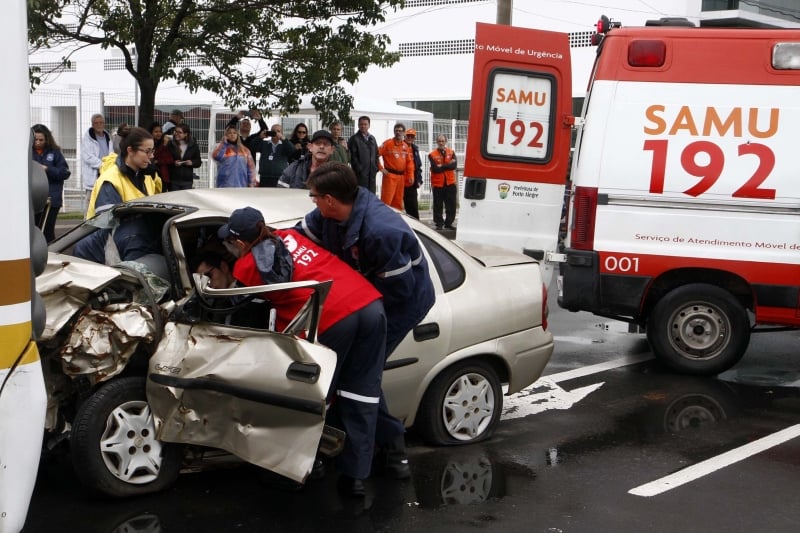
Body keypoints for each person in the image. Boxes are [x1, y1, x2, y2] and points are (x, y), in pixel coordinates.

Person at [218, 206, 387, 497]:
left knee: (307, 398)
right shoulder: (289, 236)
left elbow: (239, 314)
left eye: (231, 242)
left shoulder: (245, 268)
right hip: (369, 304)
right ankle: (356, 477)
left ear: (241, 242)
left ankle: (301, 469)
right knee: (362, 393)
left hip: (330, 317)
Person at [299, 162, 436, 480]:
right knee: (359, 374)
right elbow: (298, 236)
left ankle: (392, 449)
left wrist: (353, 307)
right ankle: (386, 446)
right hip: (368, 303)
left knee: (360, 375)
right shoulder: (329, 215)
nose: (313, 202)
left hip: (400, 305)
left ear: (330, 199)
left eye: (314, 197)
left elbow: (399, 291)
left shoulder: (380, 232)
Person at [85, 126, 163, 219]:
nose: (152, 156)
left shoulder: (147, 176)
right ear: (130, 150)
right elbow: (107, 223)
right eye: (147, 151)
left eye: (152, 151)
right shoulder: (110, 181)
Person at [31, 124, 70, 242]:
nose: (38, 142)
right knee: (33, 230)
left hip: (51, 199)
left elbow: (65, 173)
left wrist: (47, 169)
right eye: (35, 140)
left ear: (47, 139)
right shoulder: (27, 152)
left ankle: (50, 251)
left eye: (41, 140)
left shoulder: (55, 153)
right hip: (33, 199)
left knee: (48, 231)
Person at [81, 113, 113, 211]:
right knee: (90, 203)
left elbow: (111, 154)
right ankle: (87, 220)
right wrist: (103, 165)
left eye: (101, 122)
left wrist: (109, 165)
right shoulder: (88, 138)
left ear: (104, 124)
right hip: (94, 176)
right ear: (92, 124)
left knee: (105, 203)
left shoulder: (108, 137)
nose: (99, 125)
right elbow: (88, 157)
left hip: (106, 175)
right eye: (96, 123)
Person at [378, 123, 414, 210]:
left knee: (398, 201)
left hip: (401, 177)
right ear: (394, 132)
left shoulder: (405, 146)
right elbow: (375, 155)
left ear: (404, 133)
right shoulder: (387, 144)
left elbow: (409, 162)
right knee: (387, 201)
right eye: (396, 131)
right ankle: (384, 217)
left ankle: (396, 218)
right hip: (390, 176)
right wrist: (381, 168)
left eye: (400, 131)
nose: (398, 132)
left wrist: (411, 175)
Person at [428, 134, 458, 230]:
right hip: (438, 183)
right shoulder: (432, 154)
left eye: (443, 141)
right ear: (437, 142)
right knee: (438, 205)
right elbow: (435, 169)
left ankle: (449, 223)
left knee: (451, 204)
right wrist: (447, 164)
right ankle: (439, 223)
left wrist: (442, 166)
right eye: (439, 141)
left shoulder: (451, 152)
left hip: (450, 183)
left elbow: (454, 166)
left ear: (446, 141)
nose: (441, 143)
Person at [251, 123, 293, 188]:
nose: (275, 133)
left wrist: (283, 139)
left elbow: (292, 150)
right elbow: (252, 147)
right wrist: (260, 137)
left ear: (281, 133)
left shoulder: (285, 145)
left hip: (280, 177)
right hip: (265, 177)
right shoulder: (264, 144)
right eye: (273, 131)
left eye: (278, 131)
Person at [347, 115, 379, 193]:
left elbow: (376, 154)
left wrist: (376, 167)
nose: (363, 126)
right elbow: (352, 156)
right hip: (360, 174)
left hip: (372, 173)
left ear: (369, 125)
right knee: (361, 193)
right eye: (361, 124)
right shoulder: (354, 139)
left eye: (365, 124)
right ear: (358, 125)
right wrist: (359, 169)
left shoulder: (372, 138)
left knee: (371, 194)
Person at [167, 124, 202, 191]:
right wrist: (173, 162)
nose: (176, 134)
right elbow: (166, 159)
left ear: (186, 134)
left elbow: (198, 162)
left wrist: (192, 162)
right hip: (173, 179)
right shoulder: (170, 144)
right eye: (175, 131)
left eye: (179, 132)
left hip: (187, 181)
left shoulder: (193, 145)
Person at [403, 128, 423, 220]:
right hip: (400, 179)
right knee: (397, 205)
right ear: (405, 136)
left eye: (412, 136)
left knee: (413, 205)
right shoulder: (400, 146)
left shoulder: (415, 149)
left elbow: (418, 166)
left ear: (415, 138)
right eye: (408, 136)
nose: (410, 138)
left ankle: (415, 223)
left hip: (412, 181)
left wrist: (419, 179)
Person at [148, 121, 174, 188]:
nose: (158, 134)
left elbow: (170, 159)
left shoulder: (165, 144)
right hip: (149, 175)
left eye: (160, 131)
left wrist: (158, 161)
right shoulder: (147, 144)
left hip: (162, 175)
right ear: (151, 132)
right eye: (156, 132)